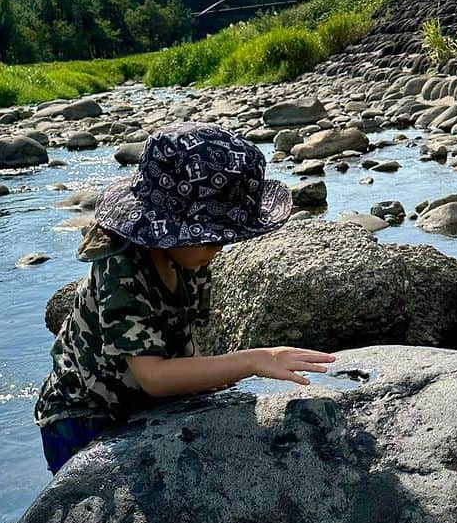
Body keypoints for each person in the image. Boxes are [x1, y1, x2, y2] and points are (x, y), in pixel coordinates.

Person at [34, 122, 336, 474]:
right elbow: (153, 376)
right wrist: (254, 360)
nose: (218, 248)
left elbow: (181, 335)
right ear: (167, 228)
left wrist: (208, 374)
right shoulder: (120, 265)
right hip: (83, 413)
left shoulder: (188, 255)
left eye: (224, 237)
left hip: (139, 400)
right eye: (211, 238)